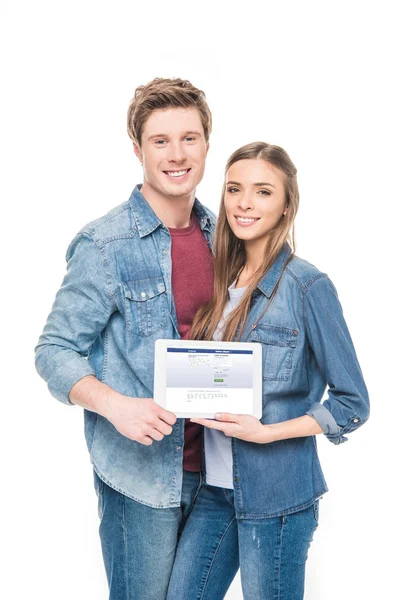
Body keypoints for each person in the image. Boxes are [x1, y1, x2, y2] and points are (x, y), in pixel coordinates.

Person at [34, 77, 215, 599]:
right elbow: (53, 350)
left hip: (223, 471)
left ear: (207, 143)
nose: (177, 154)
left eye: (190, 137)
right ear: (137, 150)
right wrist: (116, 405)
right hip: (142, 479)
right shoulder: (104, 243)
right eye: (160, 140)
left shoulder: (225, 235)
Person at [166, 142, 370, 600]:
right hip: (214, 491)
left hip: (276, 497)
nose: (244, 203)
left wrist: (267, 432)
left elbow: (353, 403)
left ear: (285, 207)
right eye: (235, 189)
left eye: (262, 192)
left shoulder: (308, 286)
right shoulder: (223, 284)